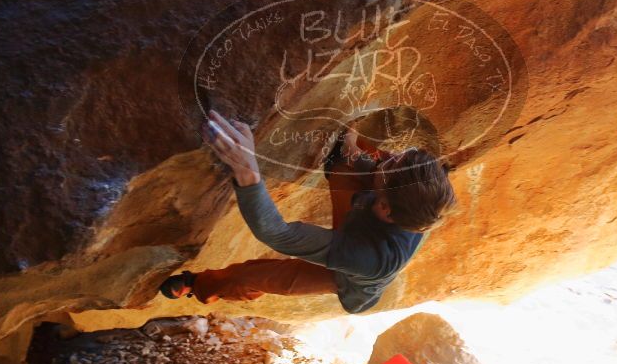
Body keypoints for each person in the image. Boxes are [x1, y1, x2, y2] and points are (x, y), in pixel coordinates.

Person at [159, 109, 456, 314]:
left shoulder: (366, 258)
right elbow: (385, 169)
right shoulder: (426, 191)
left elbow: (277, 234)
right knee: (348, 163)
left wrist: (246, 170)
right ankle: (342, 159)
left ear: (384, 209)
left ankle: (197, 286)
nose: (388, 156)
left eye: (390, 164)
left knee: (251, 275)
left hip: (345, 278)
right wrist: (351, 140)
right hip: (366, 220)